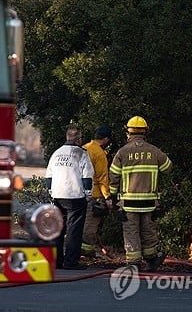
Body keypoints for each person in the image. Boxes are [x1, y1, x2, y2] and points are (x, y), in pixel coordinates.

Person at [109, 116, 172, 271]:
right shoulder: (153, 150)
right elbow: (168, 168)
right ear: (145, 132)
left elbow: (113, 176)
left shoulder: (122, 152)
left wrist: (112, 197)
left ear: (128, 132)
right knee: (148, 229)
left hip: (129, 202)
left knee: (131, 231)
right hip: (149, 201)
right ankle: (151, 259)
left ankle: (134, 262)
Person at [46, 126, 94, 270]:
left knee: (58, 229)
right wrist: (88, 194)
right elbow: (87, 176)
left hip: (57, 196)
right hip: (75, 196)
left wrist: (51, 191)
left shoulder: (56, 153)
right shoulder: (81, 154)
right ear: (79, 140)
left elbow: (49, 176)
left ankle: (56, 261)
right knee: (74, 229)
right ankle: (71, 261)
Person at [81, 125, 113, 258]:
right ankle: (86, 251)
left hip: (78, 193)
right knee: (90, 224)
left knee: (80, 223)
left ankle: (79, 249)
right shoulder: (99, 153)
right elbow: (102, 178)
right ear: (105, 139)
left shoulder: (84, 148)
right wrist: (107, 197)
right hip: (94, 195)